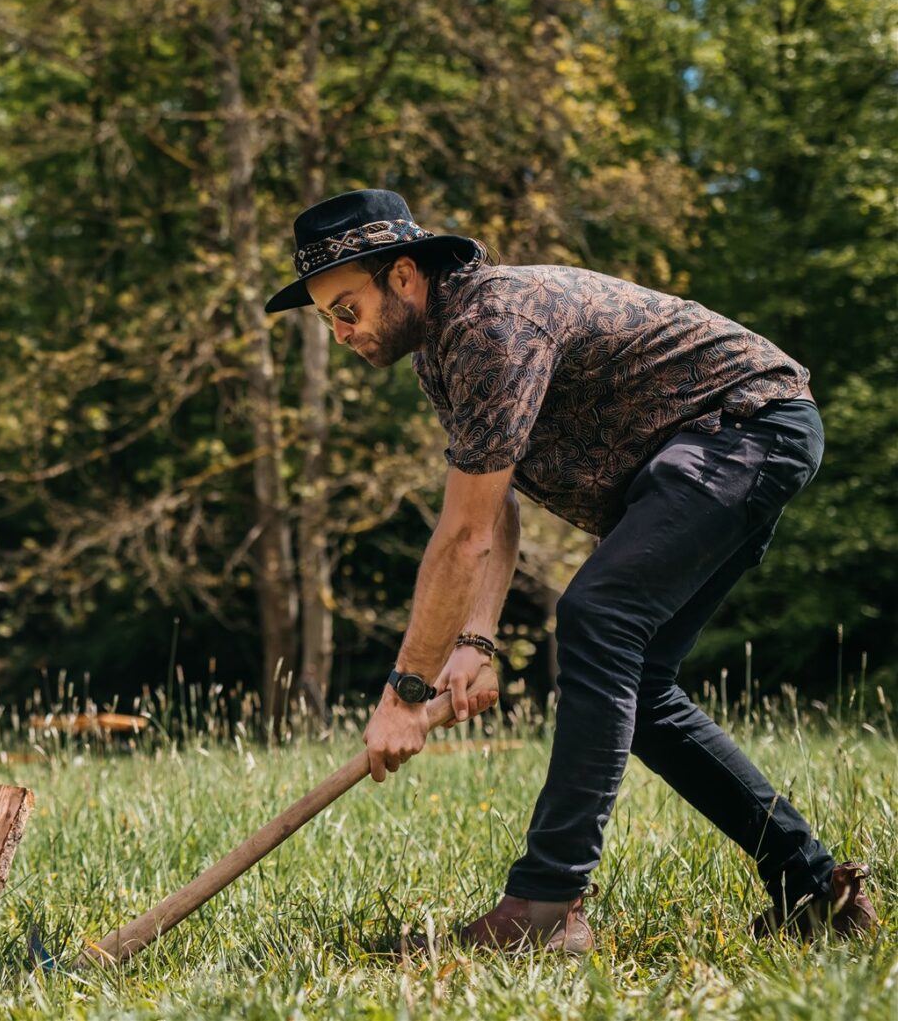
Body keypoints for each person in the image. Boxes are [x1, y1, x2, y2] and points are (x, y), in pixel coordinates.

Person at [264, 188, 876, 953]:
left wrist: (405, 690)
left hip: (745, 424)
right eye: (328, 318)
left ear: (405, 277)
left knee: (597, 619)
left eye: (345, 309)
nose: (341, 332)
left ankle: (545, 907)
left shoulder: (494, 323)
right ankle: (815, 887)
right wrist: (477, 640)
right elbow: (492, 501)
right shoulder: (444, 355)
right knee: (640, 686)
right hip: (706, 450)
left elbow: (458, 539)